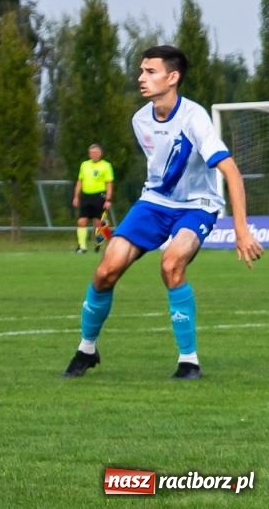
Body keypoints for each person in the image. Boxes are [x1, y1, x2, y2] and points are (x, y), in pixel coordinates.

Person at [63, 45, 262, 381]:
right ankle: (87, 348)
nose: (141, 77)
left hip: (197, 206)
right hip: (155, 203)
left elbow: (231, 172)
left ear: (173, 78)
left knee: (171, 263)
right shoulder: (140, 120)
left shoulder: (194, 118)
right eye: (141, 71)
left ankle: (189, 361)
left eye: (150, 71)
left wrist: (241, 229)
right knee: (105, 271)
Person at [70, 143, 115, 254]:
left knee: (99, 222)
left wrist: (108, 199)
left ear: (100, 154)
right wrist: (76, 197)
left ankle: (106, 243)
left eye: (96, 152)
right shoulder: (84, 165)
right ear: (89, 154)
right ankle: (82, 247)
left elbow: (109, 183)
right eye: (92, 153)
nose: (94, 155)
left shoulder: (106, 165)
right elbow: (80, 182)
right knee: (81, 221)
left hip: (99, 196)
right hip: (86, 196)